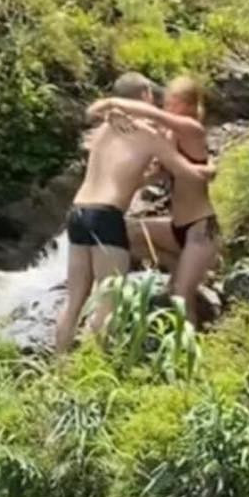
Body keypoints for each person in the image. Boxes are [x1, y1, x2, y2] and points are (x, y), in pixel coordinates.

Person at [86, 76, 219, 327]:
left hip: (201, 231)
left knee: (180, 297)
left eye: (172, 103)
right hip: (177, 228)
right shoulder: (171, 136)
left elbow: (153, 116)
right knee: (125, 232)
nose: (166, 107)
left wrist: (113, 102)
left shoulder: (192, 128)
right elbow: (158, 168)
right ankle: (178, 266)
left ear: (188, 104)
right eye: (166, 102)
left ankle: (187, 341)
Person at [56, 73, 164, 353]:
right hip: (106, 217)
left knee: (74, 301)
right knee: (108, 302)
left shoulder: (105, 127)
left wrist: (150, 178)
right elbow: (181, 165)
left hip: (79, 212)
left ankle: (59, 367)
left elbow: (121, 178)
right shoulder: (148, 131)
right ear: (145, 95)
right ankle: (92, 364)